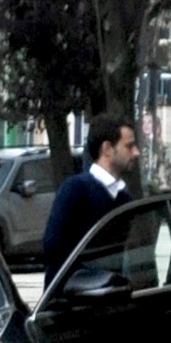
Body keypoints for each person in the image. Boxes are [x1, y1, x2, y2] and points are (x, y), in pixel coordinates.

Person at [40, 116, 137, 274]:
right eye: (129, 146)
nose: (136, 152)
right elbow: (52, 249)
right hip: (73, 295)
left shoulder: (123, 198)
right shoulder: (75, 189)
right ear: (107, 149)